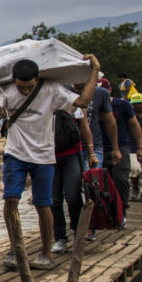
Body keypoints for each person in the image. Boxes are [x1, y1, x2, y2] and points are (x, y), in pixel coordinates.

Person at [0, 57, 99, 271]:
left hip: (43, 156)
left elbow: (82, 103)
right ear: (13, 80)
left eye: (30, 87)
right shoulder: (6, 91)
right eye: (21, 87)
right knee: (11, 198)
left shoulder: (52, 90)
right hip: (15, 154)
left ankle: (45, 252)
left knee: (43, 204)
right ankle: (15, 247)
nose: (25, 91)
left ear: (38, 79)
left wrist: (94, 72)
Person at [50, 106, 96, 254]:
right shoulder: (41, 101)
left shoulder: (73, 102)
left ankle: (78, 231)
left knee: (73, 195)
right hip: (48, 158)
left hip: (72, 155)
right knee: (54, 199)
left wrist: (91, 153)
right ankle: (60, 238)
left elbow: (84, 127)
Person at [105, 92, 142, 218]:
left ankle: (121, 212)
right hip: (98, 147)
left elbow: (134, 124)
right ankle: (104, 214)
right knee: (102, 183)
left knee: (121, 180)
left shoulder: (122, 105)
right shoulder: (89, 104)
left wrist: (140, 147)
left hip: (121, 146)